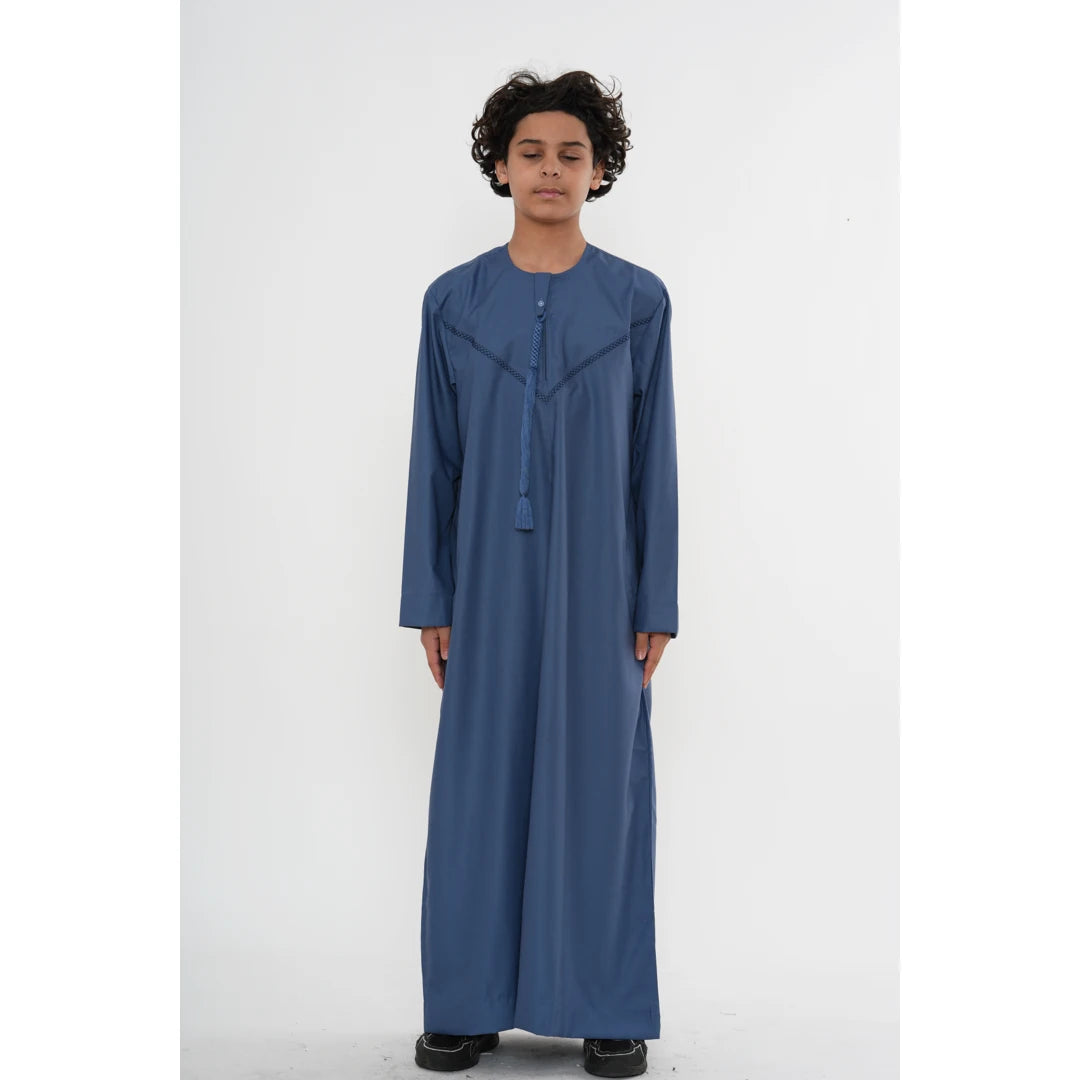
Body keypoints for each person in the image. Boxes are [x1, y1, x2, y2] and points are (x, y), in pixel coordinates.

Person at [399, 69, 679, 1078]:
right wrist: (430, 597)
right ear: (501, 167)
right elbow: (434, 457)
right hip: (484, 578)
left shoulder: (638, 301)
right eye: (531, 152)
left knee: (601, 783)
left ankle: (606, 1005)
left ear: (599, 171)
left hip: (605, 583)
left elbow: (654, 459)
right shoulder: (454, 301)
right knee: (478, 783)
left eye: (571, 153)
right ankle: (465, 1003)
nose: (550, 169)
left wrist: (656, 600)